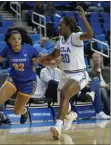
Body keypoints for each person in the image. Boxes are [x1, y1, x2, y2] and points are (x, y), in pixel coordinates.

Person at [37, 6, 94, 139]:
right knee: (63, 101)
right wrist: (38, 59)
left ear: (69, 27)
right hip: (65, 75)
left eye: (61, 25)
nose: (58, 27)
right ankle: (70, 115)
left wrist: (83, 18)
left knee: (64, 94)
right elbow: (53, 55)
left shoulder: (76, 37)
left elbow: (91, 35)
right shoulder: (60, 41)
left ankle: (58, 126)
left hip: (79, 74)